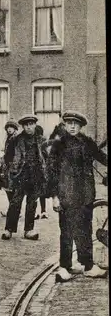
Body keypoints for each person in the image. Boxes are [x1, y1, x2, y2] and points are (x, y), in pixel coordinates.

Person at [47, 111, 108, 282]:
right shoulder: (58, 145)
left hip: (86, 194)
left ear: (81, 126)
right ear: (65, 125)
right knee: (66, 232)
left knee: (85, 230)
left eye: (76, 123)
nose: (72, 126)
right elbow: (51, 172)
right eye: (69, 123)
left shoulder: (87, 142)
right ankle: (65, 267)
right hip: (66, 194)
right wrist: (54, 196)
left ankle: (86, 264)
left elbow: (101, 157)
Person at [1, 114, 47, 241]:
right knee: (15, 202)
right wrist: (13, 170)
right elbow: (8, 156)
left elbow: (46, 156)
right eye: (26, 125)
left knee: (32, 203)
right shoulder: (16, 140)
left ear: (35, 125)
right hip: (20, 176)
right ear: (22, 126)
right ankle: (9, 229)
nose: (29, 127)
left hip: (35, 175)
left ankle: (29, 230)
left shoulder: (41, 140)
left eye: (31, 124)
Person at [0, 119, 19, 217]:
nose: (9, 129)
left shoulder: (15, 139)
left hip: (13, 166)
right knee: (8, 188)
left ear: (15, 129)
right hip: (7, 166)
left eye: (12, 127)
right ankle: (13, 210)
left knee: (12, 189)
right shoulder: (9, 138)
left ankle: (14, 211)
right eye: (8, 128)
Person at [34, 125, 48, 220]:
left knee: (35, 192)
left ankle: (36, 212)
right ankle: (43, 211)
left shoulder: (37, 141)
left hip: (38, 169)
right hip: (41, 169)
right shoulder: (44, 141)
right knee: (40, 192)